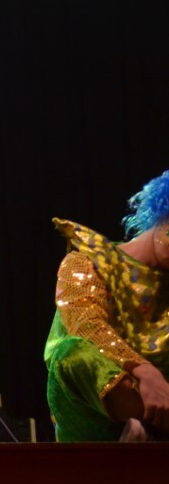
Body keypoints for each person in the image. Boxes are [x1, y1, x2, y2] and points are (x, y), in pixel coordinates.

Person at [44, 169, 169, 442]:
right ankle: (139, 425)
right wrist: (145, 371)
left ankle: (147, 428)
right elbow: (87, 325)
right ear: (163, 219)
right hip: (91, 418)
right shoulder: (86, 261)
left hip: (159, 408)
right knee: (71, 353)